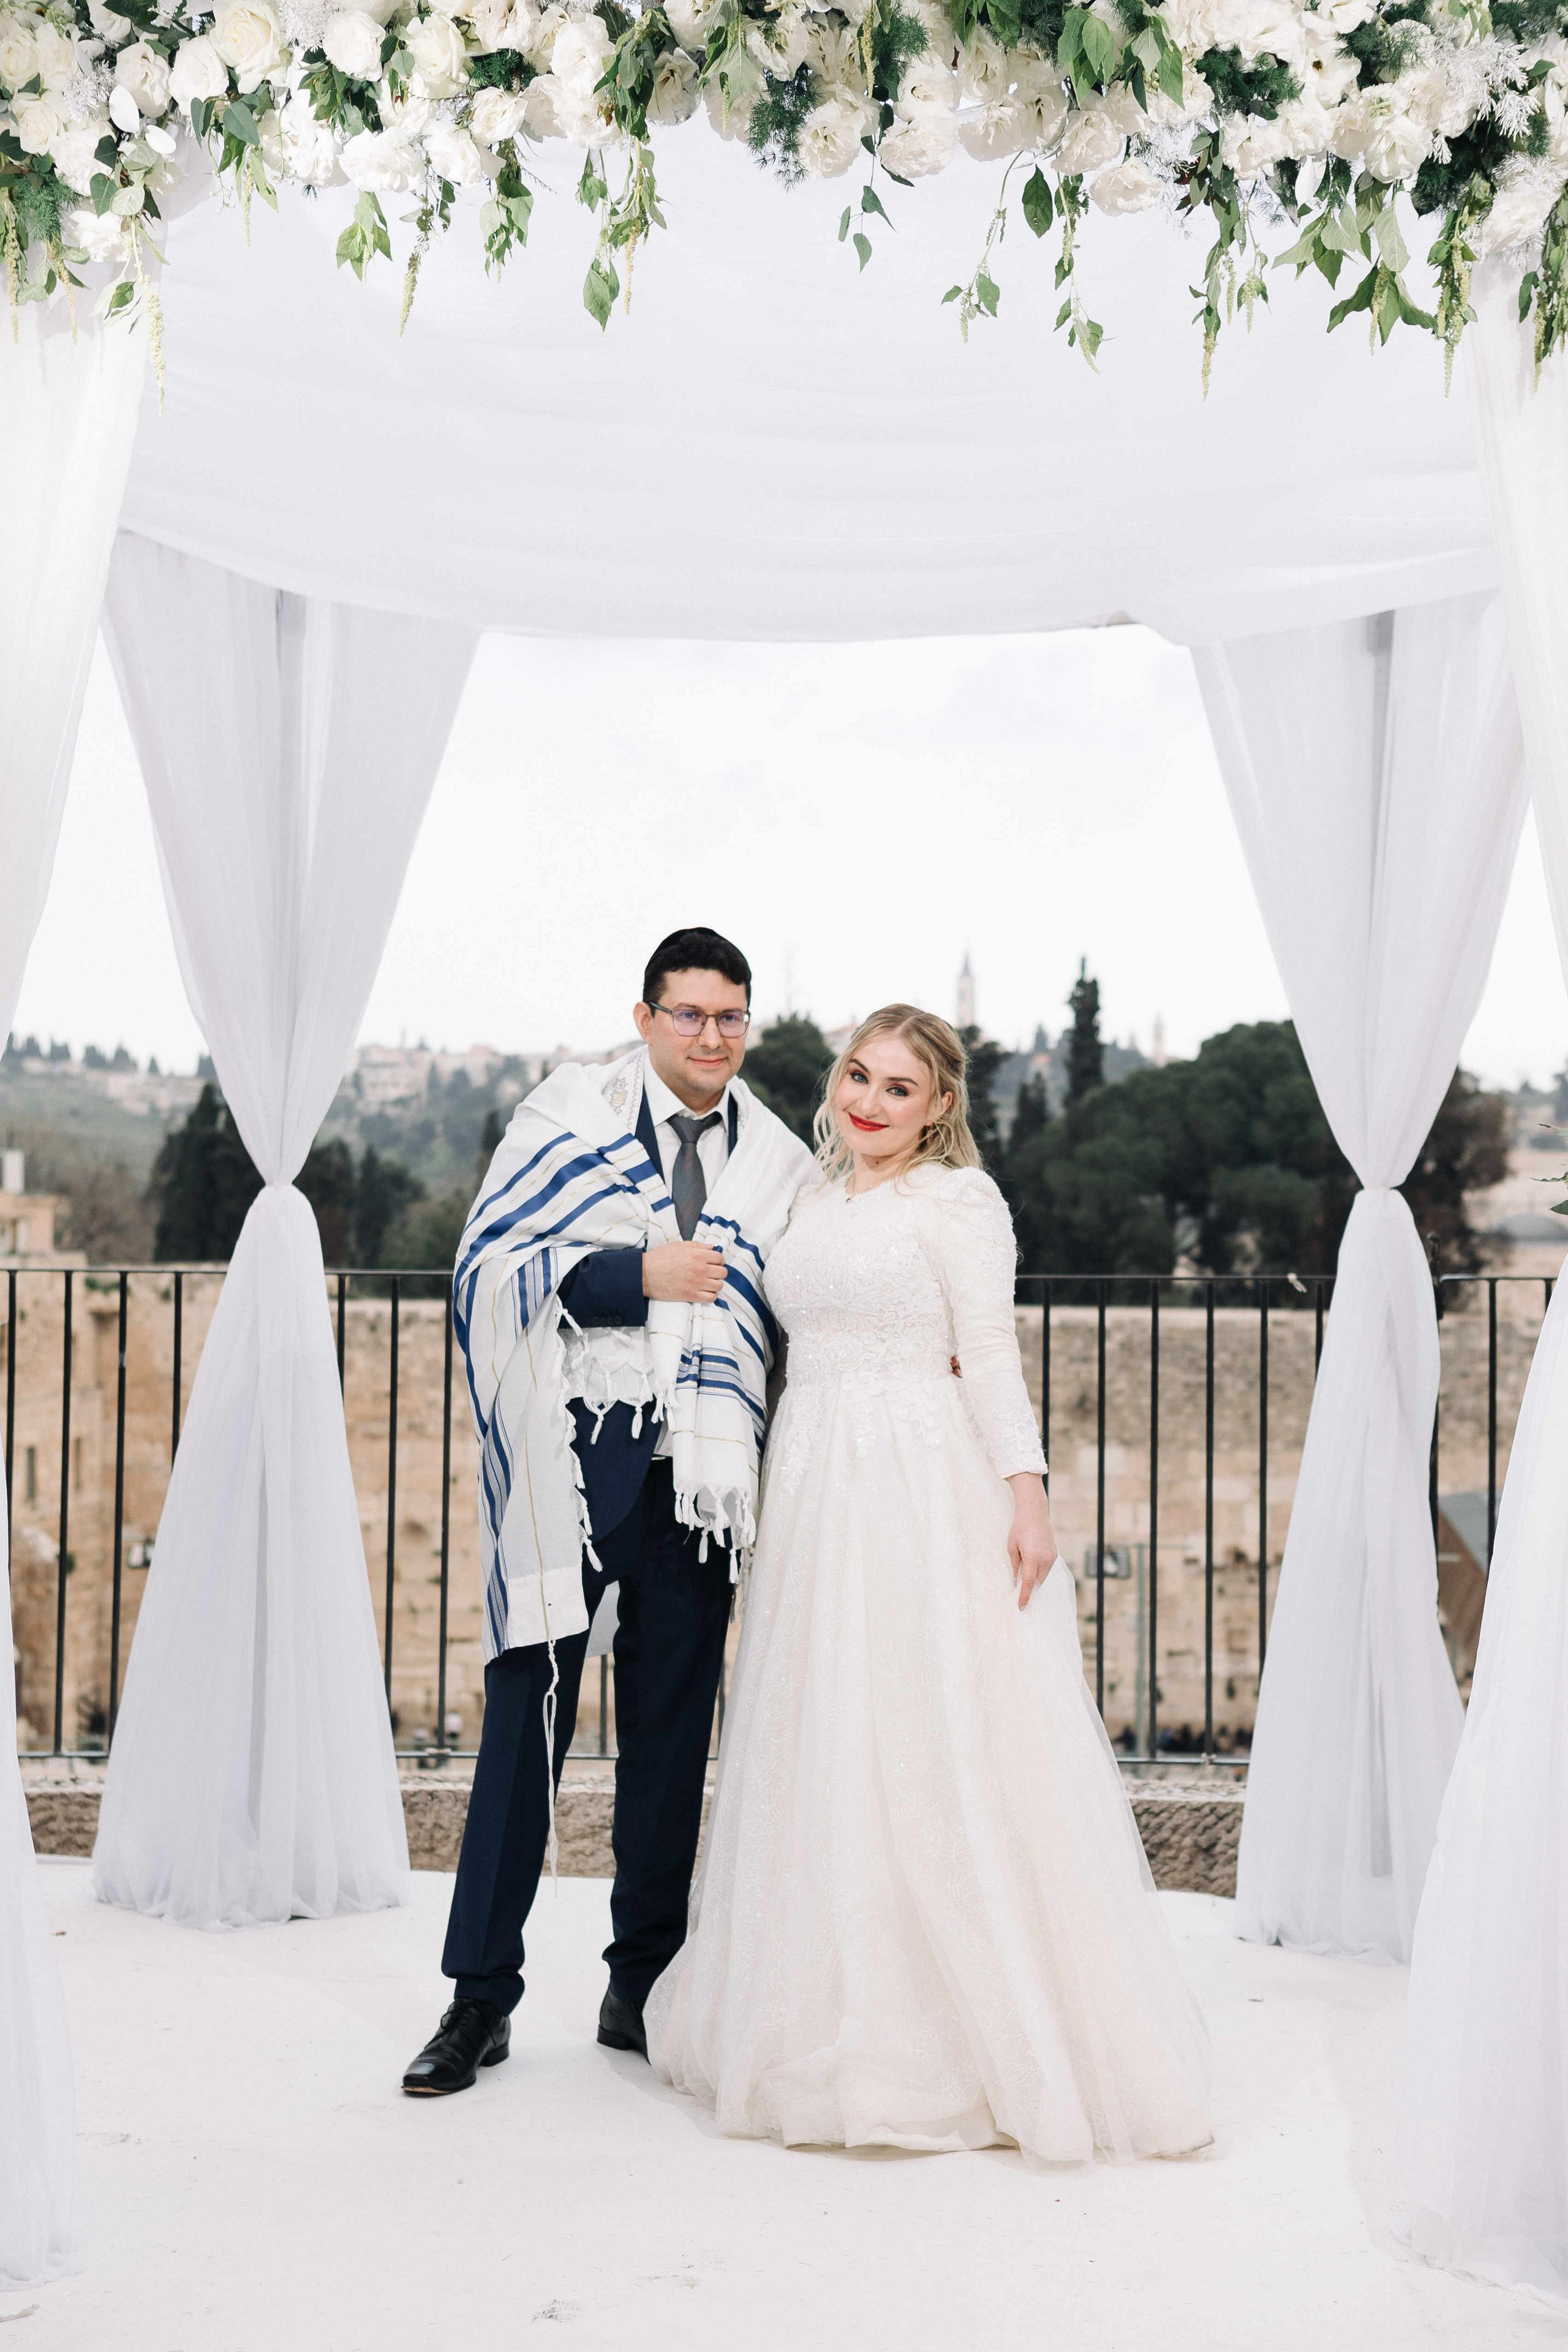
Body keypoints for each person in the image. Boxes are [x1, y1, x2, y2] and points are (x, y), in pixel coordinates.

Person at [647, 1005, 1213, 2162]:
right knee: (825, 1737)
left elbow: (991, 1350)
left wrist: (1028, 1493)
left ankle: (964, 2032)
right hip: (814, 1485)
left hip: (914, 1482)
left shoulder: (960, 1204)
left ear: (941, 1106)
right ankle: (824, 2001)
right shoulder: (806, 1192)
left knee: (925, 1728)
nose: (868, 1102)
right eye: (859, 1075)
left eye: (899, 1089)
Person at [402, 927, 813, 2095]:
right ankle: (478, 2000)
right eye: (689, 1015)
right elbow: (491, 1265)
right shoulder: (567, 1119)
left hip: (702, 1476)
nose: (712, 1037)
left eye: (731, 1017)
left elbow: (796, 1305)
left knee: (672, 1741)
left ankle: (645, 1986)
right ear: (643, 1018)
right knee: (521, 1731)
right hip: (575, 1457)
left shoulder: (774, 1160)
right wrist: (639, 1273)